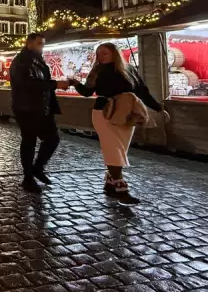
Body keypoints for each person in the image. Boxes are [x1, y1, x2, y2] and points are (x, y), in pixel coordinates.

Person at [69, 43, 167, 205]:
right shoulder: (97, 71)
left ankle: (110, 183)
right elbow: (87, 92)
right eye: (98, 54)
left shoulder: (128, 69)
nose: (101, 56)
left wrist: (158, 108)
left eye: (104, 53)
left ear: (114, 53)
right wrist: (76, 84)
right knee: (113, 149)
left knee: (120, 149)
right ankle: (121, 189)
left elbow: (142, 91)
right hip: (104, 112)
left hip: (126, 114)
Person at [9, 33, 69, 194]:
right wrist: (55, 84)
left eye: (42, 43)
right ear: (28, 43)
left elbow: (41, 82)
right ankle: (28, 178)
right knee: (29, 141)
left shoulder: (37, 60)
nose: (41, 46)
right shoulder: (22, 61)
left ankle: (37, 168)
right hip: (26, 108)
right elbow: (27, 84)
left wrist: (53, 88)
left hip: (42, 108)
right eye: (38, 43)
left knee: (52, 139)